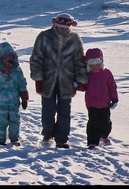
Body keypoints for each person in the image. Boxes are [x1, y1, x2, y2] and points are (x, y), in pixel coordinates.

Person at [29, 12, 89, 148]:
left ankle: (61, 139)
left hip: (67, 81)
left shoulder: (75, 39)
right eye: (61, 27)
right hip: (47, 80)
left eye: (66, 28)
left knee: (64, 111)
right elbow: (36, 58)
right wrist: (38, 78)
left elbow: (79, 60)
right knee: (48, 110)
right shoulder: (44, 37)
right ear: (55, 25)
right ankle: (47, 134)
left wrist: (80, 78)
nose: (63, 30)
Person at [0, 41, 30, 146]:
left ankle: (14, 138)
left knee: (15, 121)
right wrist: (4, 72)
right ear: (1, 59)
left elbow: (22, 83)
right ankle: (0, 139)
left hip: (14, 101)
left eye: (10, 57)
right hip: (1, 101)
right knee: (2, 121)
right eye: (5, 58)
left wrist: (24, 97)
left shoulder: (17, 70)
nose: (8, 60)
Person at [82, 48, 117, 148]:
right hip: (91, 104)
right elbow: (83, 86)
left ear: (101, 61)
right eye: (91, 63)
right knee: (93, 122)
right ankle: (92, 142)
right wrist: (76, 84)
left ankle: (104, 135)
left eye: (97, 62)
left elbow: (112, 87)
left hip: (105, 103)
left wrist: (114, 99)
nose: (94, 66)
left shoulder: (107, 73)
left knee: (105, 122)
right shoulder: (88, 75)